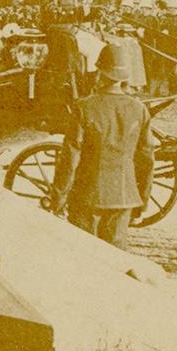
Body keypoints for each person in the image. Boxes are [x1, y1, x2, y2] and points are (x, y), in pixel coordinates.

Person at [48, 41, 155, 251]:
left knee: (83, 259)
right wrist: (141, 201)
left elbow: (70, 158)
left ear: (100, 74)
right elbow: (147, 160)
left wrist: (58, 199)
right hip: (124, 198)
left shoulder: (84, 107)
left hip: (86, 197)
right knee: (115, 263)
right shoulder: (140, 109)